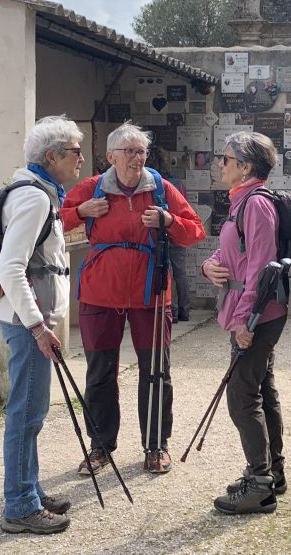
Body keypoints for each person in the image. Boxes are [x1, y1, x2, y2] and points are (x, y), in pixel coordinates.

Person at [62, 122, 206, 475]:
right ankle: (100, 447)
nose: (136, 158)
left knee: (156, 371)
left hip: (151, 293)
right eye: (128, 151)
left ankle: (156, 446)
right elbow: (55, 223)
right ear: (111, 156)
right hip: (100, 293)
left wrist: (169, 219)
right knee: (100, 372)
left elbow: (195, 231)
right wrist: (81, 212)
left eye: (140, 151)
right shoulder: (91, 189)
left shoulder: (160, 189)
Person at [0, 115, 85, 535]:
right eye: (75, 152)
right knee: (26, 414)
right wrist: (37, 326)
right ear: (52, 157)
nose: (82, 158)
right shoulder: (34, 199)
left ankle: (28, 490)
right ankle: (20, 506)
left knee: (32, 412)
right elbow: (10, 268)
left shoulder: (40, 194)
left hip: (30, 322)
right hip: (28, 325)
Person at [200, 131, 288, 515]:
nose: (221, 164)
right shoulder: (241, 202)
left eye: (226, 158)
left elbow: (261, 268)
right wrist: (208, 266)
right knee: (261, 389)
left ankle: (260, 485)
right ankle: (272, 474)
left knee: (240, 395)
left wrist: (244, 321)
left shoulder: (255, 205)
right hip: (253, 311)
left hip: (258, 314)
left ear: (245, 167)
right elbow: (229, 254)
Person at [147, 147, 192, 322]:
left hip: (160, 231)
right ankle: (184, 311)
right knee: (181, 272)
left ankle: (171, 311)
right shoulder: (178, 183)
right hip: (178, 227)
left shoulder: (151, 185)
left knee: (166, 270)